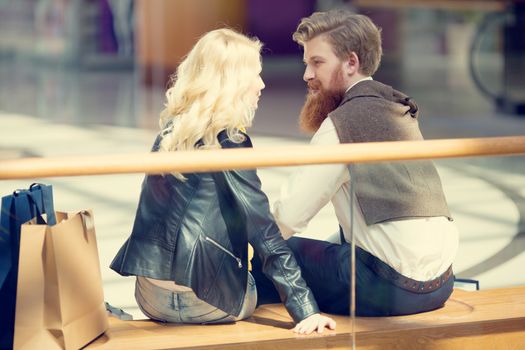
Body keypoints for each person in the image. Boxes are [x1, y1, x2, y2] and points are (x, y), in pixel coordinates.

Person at [110, 28, 335, 334]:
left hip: (150, 296)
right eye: (254, 75)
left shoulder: (173, 130)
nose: (262, 84)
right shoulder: (229, 139)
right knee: (277, 271)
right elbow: (262, 229)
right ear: (233, 81)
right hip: (205, 302)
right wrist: (304, 309)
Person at [252, 10, 459, 316]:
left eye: (317, 63)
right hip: (441, 286)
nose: (307, 75)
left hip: (388, 290)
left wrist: (244, 246)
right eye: (306, 63)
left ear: (351, 62)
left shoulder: (341, 125)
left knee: (265, 255)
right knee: (319, 250)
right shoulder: (397, 109)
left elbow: (288, 216)